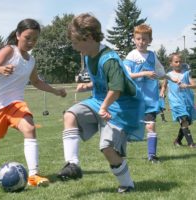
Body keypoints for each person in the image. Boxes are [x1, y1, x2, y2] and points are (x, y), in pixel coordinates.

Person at [57, 13, 144, 193]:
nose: (74, 47)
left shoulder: (109, 59)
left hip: (122, 107)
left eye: (75, 42)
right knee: (70, 115)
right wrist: (88, 86)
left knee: (107, 148)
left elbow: (116, 88)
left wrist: (104, 107)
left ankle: (127, 184)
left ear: (88, 37)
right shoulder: (89, 56)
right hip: (100, 101)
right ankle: (72, 164)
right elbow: (103, 83)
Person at [0, 18, 67, 187]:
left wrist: (56, 91)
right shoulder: (9, 51)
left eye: (35, 39)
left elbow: (37, 82)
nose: (31, 42)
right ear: (18, 35)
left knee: (30, 128)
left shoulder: (31, 61)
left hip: (15, 104)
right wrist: (0, 69)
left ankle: (33, 175)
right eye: (27, 37)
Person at [123, 24, 174, 163]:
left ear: (150, 40)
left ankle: (152, 155)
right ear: (134, 39)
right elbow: (126, 75)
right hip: (134, 98)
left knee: (150, 125)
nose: (141, 42)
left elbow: (160, 72)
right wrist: (144, 73)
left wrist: (169, 78)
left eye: (144, 39)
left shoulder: (152, 55)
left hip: (150, 99)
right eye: (138, 39)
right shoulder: (132, 55)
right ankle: (119, 152)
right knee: (127, 127)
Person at [160, 53, 196, 148]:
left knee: (186, 122)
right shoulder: (168, 75)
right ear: (171, 63)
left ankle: (177, 141)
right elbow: (164, 85)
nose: (178, 63)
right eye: (176, 61)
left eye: (180, 61)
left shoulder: (186, 73)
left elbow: (194, 85)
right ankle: (191, 143)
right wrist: (162, 92)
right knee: (183, 119)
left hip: (187, 101)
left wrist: (187, 85)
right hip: (175, 102)